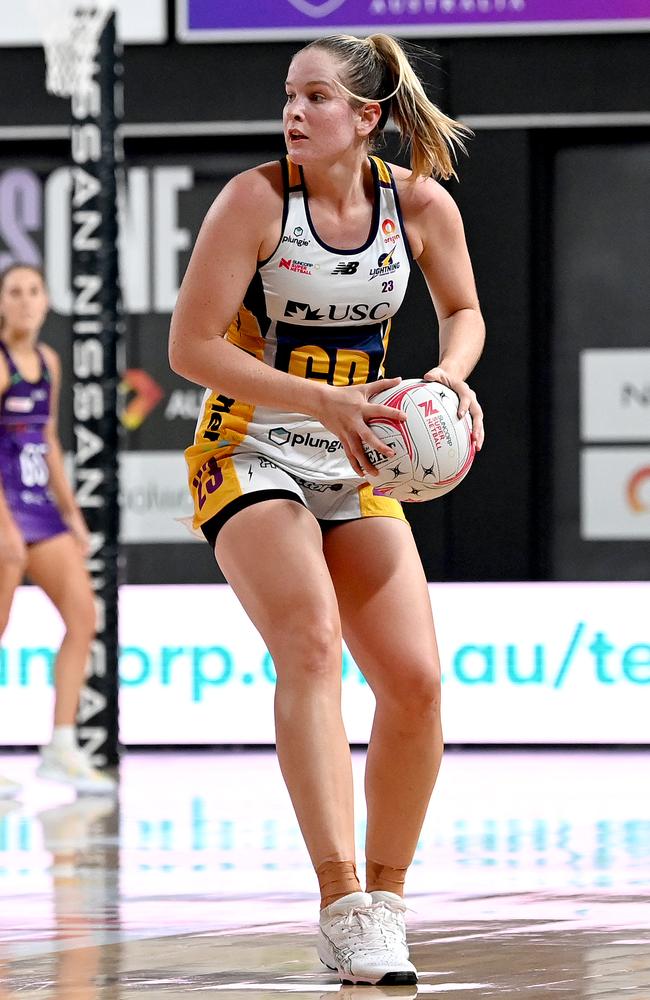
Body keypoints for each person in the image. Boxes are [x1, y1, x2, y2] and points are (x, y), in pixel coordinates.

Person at [169, 33, 485, 985]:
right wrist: (323, 403)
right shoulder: (255, 200)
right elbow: (190, 346)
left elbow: (464, 311)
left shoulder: (419, 205)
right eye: (288, 95)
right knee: (309, 641)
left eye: (315, 97)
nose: (293, 112)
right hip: (250, 445)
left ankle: (388, 904)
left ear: (367, 117)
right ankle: (341, 902)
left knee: (418, 683)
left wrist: (446, 382)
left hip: (360, 459)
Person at [0, 263, 115, 798]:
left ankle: (62, 747)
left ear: (47, 301)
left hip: (39, 508)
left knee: (83, 616)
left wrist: (70, 512)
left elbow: (46, 440)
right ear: (2, 304)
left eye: (33, 291)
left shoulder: (47, 361)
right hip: (3, 509)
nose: (24, 301)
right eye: (14, 292)